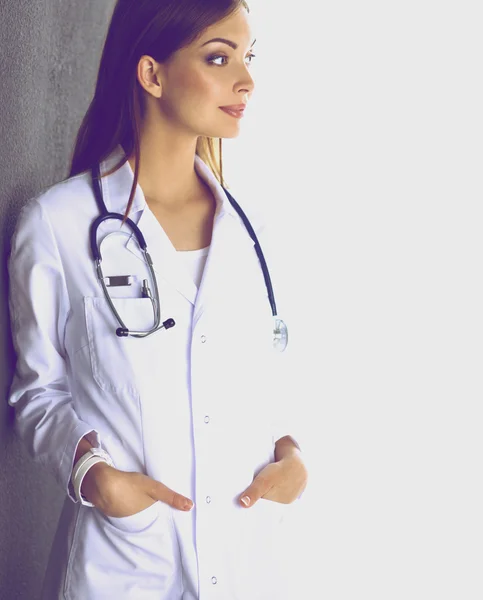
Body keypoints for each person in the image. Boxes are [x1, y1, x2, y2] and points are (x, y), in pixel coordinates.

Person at [7, 1, 307, 598]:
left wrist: (291, 453)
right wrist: (94, 476)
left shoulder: (252, 234)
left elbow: (264, 377)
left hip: (245, 561)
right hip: (125, 564)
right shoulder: (60, 224)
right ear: (152, 75)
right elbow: (36, 391)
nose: (245, 80)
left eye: (247, 58)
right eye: (219, 58)